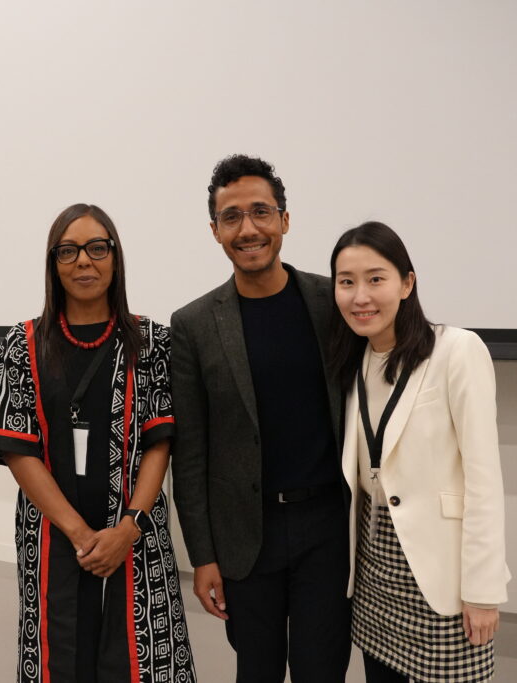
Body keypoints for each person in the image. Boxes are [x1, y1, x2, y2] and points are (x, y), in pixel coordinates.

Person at [0, 204, 195, 683]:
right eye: (68, 251)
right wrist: (80, 534)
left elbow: (160, 441)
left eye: (98, 248)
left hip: (136, 533)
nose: (84, 262)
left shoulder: (150, 340)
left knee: (142, 661)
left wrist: (129, 527)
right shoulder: (23, 342)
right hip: (53, 536)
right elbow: (17, 450)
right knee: (59, 658)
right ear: (53, 264)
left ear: (115, 259)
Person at [171, 155, 351, 682]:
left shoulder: (331, 301)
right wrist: (202, 557)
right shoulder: (195, 324)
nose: (248, 229)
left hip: (327, 529)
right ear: (215, 231)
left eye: (260, 212)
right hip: (246, 538)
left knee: (323, 671)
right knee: (257, 672)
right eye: (232, 217)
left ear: (284, 220)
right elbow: (192, 455)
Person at [329, 221, 510, 682]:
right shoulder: (354, 362)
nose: (360, 296)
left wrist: (483, 591)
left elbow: (484, 480)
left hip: (440, 576)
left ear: (407, 283)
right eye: (346, 282)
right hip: (375, 576)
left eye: (376, 279)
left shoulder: (457, 350)